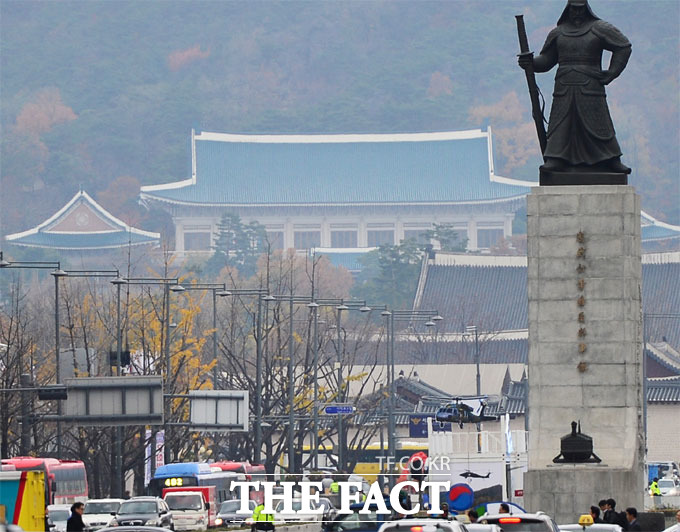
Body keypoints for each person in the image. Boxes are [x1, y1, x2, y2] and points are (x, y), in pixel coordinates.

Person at [517, 0, 632, 175]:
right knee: (561, 124)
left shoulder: (599, 28)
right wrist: (530, 62)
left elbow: (623, 47)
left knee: (599, 124)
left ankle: (610, 159)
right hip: (564, 86)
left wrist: (612, 72)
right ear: (567, 10)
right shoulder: (558, 33)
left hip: (591, 85)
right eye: (573, 9)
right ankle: (556, 158)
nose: (577, 13)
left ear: (586, 9)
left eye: (580, 9)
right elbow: (547, 60)